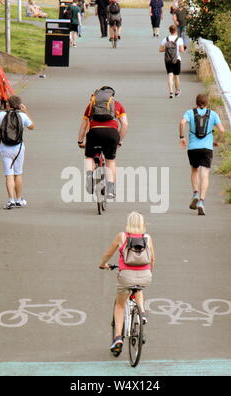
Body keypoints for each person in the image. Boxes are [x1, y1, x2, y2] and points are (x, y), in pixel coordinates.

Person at [99, 212, 155, 356]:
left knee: (119, 304)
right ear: (142, 223)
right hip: (145, 275)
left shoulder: (122, 236)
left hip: (126, 276)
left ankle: (118, 338)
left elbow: (108, 253)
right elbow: (152, 258)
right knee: (139, 288)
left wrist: (103, 264)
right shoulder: (147, 238)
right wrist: (148, 272)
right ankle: (142, 312)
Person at [77, 86, 128, 199]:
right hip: (111, 134)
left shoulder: (91, 105)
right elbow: (125, 124)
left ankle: (89, 176)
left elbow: (84, 125)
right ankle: (110, 190)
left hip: (94, 133)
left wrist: (80, 141)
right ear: (112, 96)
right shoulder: (117, 105)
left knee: (89, 157)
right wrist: (119, 139)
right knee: (110, 161)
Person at [0, 96, 35, 210]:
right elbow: (32, 126)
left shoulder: (0, 115)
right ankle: (19, 200)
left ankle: (11, 200)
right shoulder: (22, 116)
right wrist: (26, 112)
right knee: (18, 173)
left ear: (8, 105)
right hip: (18, 148)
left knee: (9, 174)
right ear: (19, 105)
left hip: (5, 148)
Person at [179, 94, 225, 215]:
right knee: (205, 174)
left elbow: (182, 123)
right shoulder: (213, 114)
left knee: (194, 171)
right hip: (207, 148)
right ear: (207, 103)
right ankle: (201, 201)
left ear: (196, 102)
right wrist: (217, 141)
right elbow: (222, 130)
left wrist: (182, 137)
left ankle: (195, 193)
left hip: (193, 148)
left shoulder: (189, 112)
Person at [159, 24, 184, 99]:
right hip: (177, 59)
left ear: (169, 31)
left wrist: (166, 49)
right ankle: (177, 90)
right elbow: (182, 50)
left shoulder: (165, 39)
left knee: (170, 75)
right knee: (176, 76)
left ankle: (171, 92)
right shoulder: (179, 39)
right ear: (176, 31)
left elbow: (160, 49)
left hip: (168, 59)